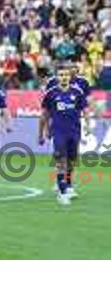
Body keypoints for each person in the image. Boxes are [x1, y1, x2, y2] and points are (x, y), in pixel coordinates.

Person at [39, 64, 89, 206]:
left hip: (74, 131)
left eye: (66, 75)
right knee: (61, 160)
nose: (64, 77)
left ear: (70, 76)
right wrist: (43, 132)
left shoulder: (78, 92)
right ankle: (62, 192)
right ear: (57, 76)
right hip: (58, 131)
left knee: (72, 160)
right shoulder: (51, 93)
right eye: (61, 75)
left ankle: (68, 183)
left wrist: (88, 126)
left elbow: (84, 109)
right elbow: (44, 115)